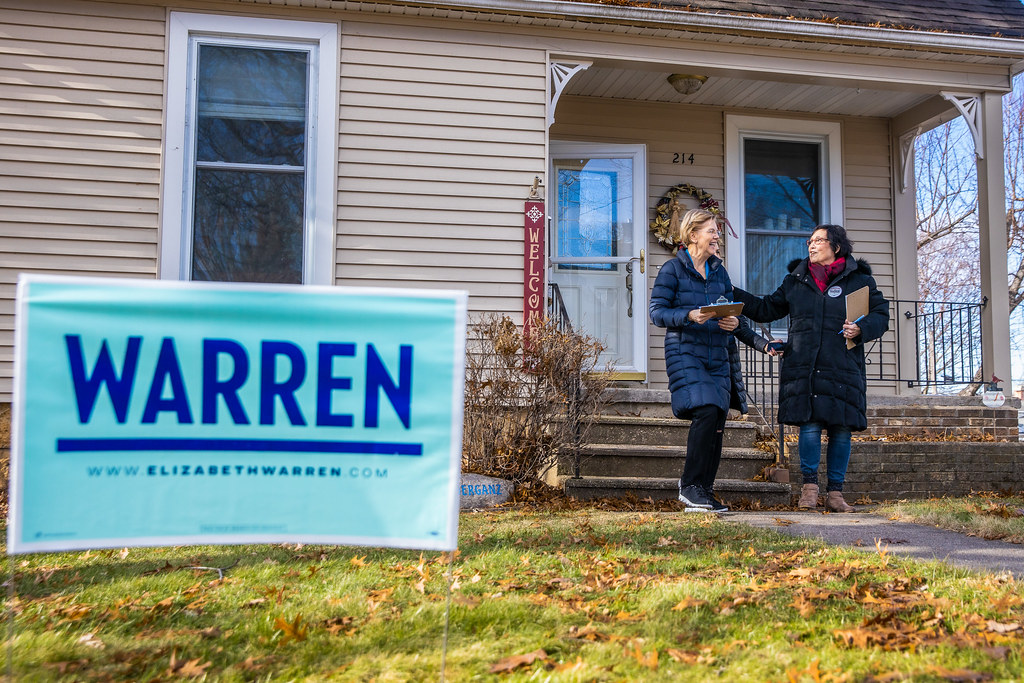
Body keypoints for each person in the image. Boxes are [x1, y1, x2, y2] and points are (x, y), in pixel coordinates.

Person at [732, 224, 889, 512]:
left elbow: (881, 315)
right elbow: (766, 308)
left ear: (836, 247)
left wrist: (861, 328)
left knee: (841, 429)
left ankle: (836, 494)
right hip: (804, 365)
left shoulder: (860, 281)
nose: (811, 245)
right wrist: (730, 292)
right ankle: (809, 490)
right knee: (810, 425)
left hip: (842, 365)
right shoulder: (796, 280)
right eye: (810, 241)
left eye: (818, 240)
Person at [649, 208, 777, 513]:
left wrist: (760, 343)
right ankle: (689, 486)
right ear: (693, 235)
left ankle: (704, 491)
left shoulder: (720, 273)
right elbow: (657, 312)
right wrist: (689, 315)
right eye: (712, 231)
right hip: (685, 351)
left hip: (719, 356)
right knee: (706, 409)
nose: (717, 236)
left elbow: (732, 314)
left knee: (718, 419)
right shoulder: (672, 270)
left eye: (717, 231)